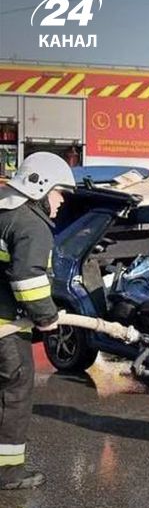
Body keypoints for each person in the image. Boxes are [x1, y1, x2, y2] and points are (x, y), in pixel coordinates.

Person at [0, 152, 72, 490]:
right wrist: (47, 319)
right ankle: (8, 471)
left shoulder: (4, 210)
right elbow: (27, 280)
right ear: (40, 186)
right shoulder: (31, 224)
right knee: (14, 394)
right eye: (59, 193)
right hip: (6, 330)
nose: (60, 203)